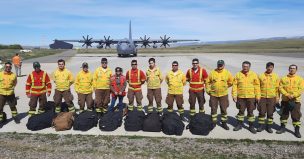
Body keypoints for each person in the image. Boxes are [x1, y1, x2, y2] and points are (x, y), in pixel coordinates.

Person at [232, 61, 260, 134]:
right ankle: (239, 125)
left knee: (250, 112)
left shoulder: (254, 75)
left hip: (251, 97)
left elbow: (257, 86)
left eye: (247, 66)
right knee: (241, 111)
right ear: (242, 66)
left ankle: (251, 126)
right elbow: (234, 86)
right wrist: (234, 95)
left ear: (249, 67)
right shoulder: (238, 74)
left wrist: (258, 96)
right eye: (244, 66)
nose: (245, 68)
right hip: (241, 97)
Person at [276, 64, 303, 138]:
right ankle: (282, 128)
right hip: (285, 100)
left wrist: (293, 95)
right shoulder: (284, 78)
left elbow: (300, 89)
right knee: (284, 115)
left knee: (296, 116)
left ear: (296, 70)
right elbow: (280, 88)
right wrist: (287, 94)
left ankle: (296, 131)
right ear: (288, 69)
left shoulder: (300, 79)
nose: (292, 69)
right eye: (291, 68)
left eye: (293, 68)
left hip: (295, 101)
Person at [206, 60, 233, 130]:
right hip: (213, 94)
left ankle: (224, 123)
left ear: (224, 65)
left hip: (223, 95)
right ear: (217, 65)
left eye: (221, 65)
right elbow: (207, 82)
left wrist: (225, 87)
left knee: (224, 109)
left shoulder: (227, 73)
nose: (220, 66)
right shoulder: (212, 72)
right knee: (213, 109)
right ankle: (213, 122)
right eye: (219, 65)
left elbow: (231, 82)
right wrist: (208, 90)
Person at [257, 62, 280, 133]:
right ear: (266, 67)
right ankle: (261, 126)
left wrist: (277, 98)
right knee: (262, 112)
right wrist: (258, 97)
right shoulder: (261, 76)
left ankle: (269, 127)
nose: (269, 68)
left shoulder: (276, 76)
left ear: (273, 68)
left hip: (272, 98)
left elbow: (277, 89)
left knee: (270, 113)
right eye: (268, 67)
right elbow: (257, 87)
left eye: (271, 67)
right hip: (262, 97)